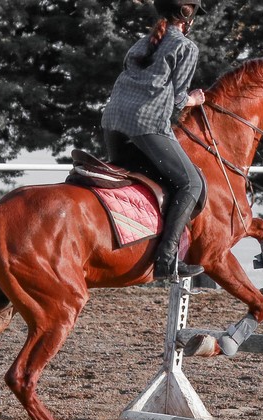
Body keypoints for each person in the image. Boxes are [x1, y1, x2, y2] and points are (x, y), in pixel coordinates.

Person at [102, 0, 207, 281]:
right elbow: (176, 102)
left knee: (143, 177)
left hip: (113, 122)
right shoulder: (186, 47)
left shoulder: (141, 42)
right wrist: (195, 99)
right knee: (190, 183)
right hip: (146, 125)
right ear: (189, 17)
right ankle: (167, 260)